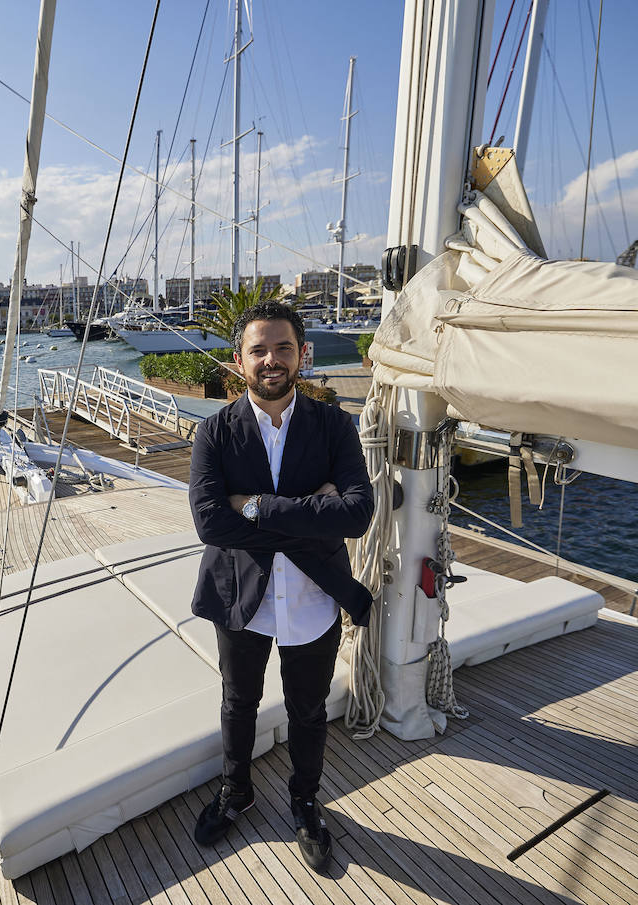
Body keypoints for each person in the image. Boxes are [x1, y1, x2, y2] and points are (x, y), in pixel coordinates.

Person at [188, 300, 374, 873]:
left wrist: (260, 507)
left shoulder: (334, 425)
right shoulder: (215, 432)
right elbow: (210, 523)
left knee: (309, 711)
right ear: (239, 360)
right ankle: (235, 789)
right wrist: (310, 507)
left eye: (283, 348)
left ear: (302, 353)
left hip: (314, 598)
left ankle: (304, 798)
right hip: (240, 595)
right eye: (259, 350)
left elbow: (357, 515)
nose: (272, 360)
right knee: (237, 703)